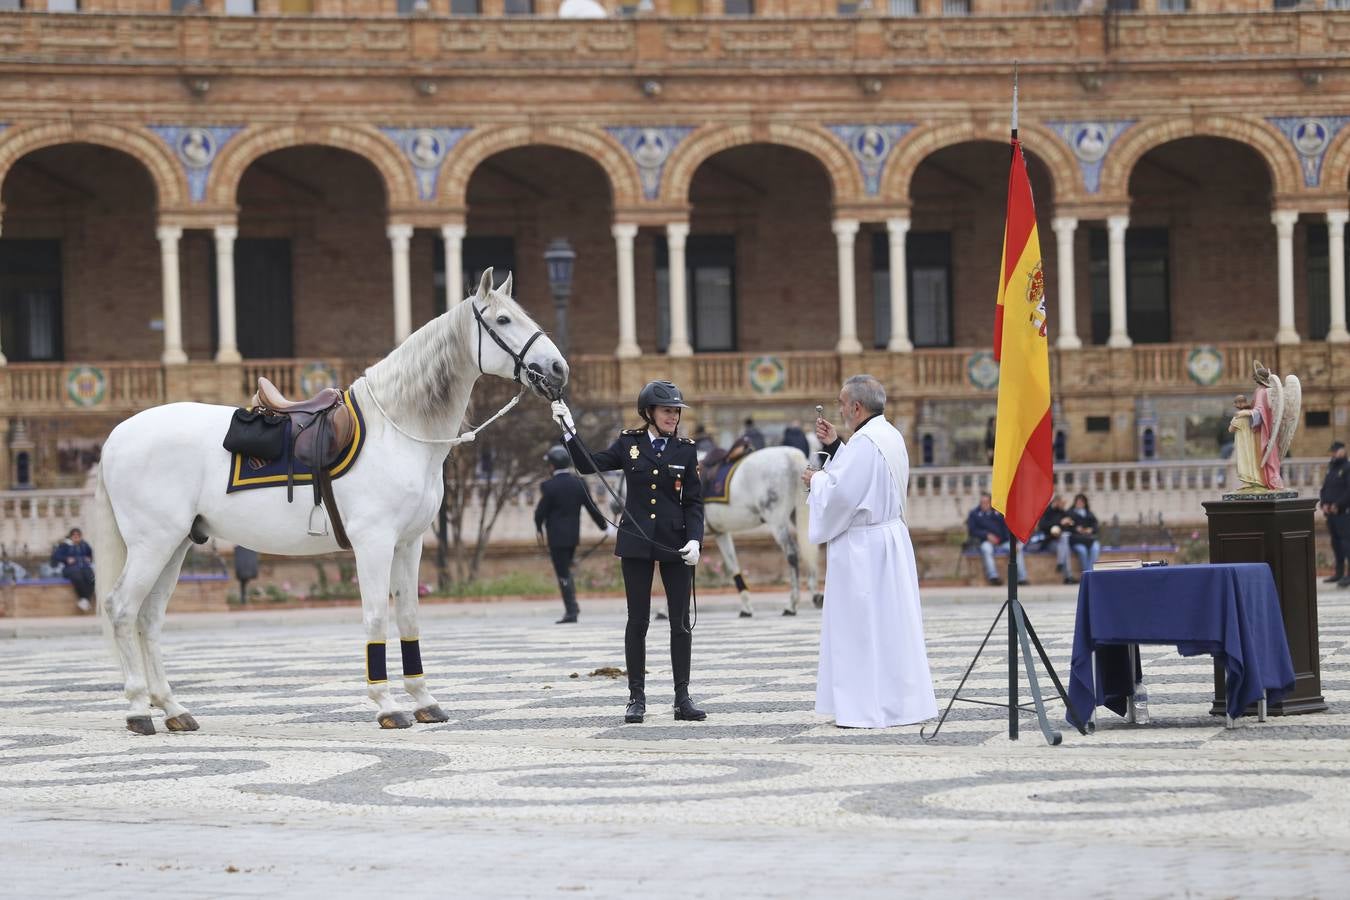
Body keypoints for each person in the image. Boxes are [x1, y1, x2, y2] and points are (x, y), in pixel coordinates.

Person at [551, 381, 707, 725]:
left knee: (680, 623)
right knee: (638, 621)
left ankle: (682, 697)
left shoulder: (685, 449)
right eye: (667, 410)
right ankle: (636, 697)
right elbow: (589, 465)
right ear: (649, 413)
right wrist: (569, 431)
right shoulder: (629, 444)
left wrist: (696, 539)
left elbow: (694, 502)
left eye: (677, 411)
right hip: (637, 541)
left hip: (675, 543)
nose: (673, 416)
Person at [801, 374, 937, 728]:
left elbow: (844, 495)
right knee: (890, 626)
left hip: (863, 549)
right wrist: (835, 447)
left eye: (843, 404)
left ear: (857, 406)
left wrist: (815, 481)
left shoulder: (865, 442)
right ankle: (900, 703)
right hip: (888, 541)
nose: (841, 410)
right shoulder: (887, 435)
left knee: (861, 629)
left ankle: (863, 707)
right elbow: (862, 476)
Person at [534, 445, 612, 623]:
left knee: (562, 573)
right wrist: (604, 527)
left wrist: (538, 527)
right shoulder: (579, 483)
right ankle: (573, 606)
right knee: (566, 570)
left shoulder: (548, 486)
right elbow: (592, 507)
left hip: (556, 537)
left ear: (552, 465)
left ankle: (571, 610)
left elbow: (540, 512)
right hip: (572, 537)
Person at [966, 493, 1028, 586]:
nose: (984, 504)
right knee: (986, 549)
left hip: (1002, 541)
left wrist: (1013, 543)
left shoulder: (998, 513)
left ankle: (1022, 578)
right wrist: (986, 535)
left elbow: (1006, 528)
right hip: (986, 541)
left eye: (986, 502)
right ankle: (993, 577)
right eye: (982, 502)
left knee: (1016, 549)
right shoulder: (974, 514)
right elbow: (972, 530)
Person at [1319, 441, 1350, 586]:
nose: (1333, 454)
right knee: (1336, 543)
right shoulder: (1331, 468)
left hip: (1343, 513)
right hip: (1331, 514)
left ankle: (1348, 575)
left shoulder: (1347, 468)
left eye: (1335, 451)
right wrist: (1324, 503)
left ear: (1343, 451)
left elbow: (1348, 492)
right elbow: (1325, 488)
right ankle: (1338, 573)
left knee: (1346, 544)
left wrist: (1338, 505)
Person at [50, 527, 94, 613]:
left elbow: (90, 554)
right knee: (78, 578)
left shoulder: (84, 545)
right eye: (74, 535)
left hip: (84, 567)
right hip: (70, 569)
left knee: (91, 578)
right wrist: (66, 559)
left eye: (78, 535)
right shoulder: (64, 546)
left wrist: (89, 559)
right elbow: (56, 556)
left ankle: (85, 600)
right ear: (71, 536)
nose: (76, 537)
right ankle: (83, 598)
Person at [1229, 394, 1265, 492]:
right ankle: (1255, 479)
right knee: (1251, 459)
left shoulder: (1239, 415)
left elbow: (1230, 429)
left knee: (1244, 460)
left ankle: (1247, 481)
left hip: (1242, 442)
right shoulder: (1250, 414)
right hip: (1250, 440)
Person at [1036, 494, 1074, 584]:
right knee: (1065, 549)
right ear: (1056, 502)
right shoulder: (1046, 511)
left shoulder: (1062, 512)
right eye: (1062, 503)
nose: (1064, 505)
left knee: (1064, 544)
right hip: (1049, 541)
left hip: (1060, 542)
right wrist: (1059, 523)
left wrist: (1066, 523)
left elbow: (1068, 527)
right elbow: (1042, 526)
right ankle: (1068, 576)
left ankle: (1061, 564)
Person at [1066, 493, 1100, 579]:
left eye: (1081, 502)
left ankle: (1091, 572)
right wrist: (1075, 529)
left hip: (1089, 539)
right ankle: (1087, 574)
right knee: (1082, 551)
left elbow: (1095, 526)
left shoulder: (1089, 513)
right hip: (1077, 540)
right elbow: (1066, 527)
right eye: (1078, 502)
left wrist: (1090, 530)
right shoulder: (1070, 513)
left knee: (1095, 548)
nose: (1079, 504)